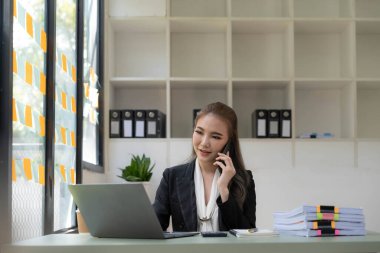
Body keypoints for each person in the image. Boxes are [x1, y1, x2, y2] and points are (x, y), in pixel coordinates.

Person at [153, 102, 256, 232]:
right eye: (199, 132)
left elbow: (247, 233)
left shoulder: (244, 179)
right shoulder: (171, 176)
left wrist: (224, 190)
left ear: (229, 142)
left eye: (215, 136)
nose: (204, 143)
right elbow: (154, 228)